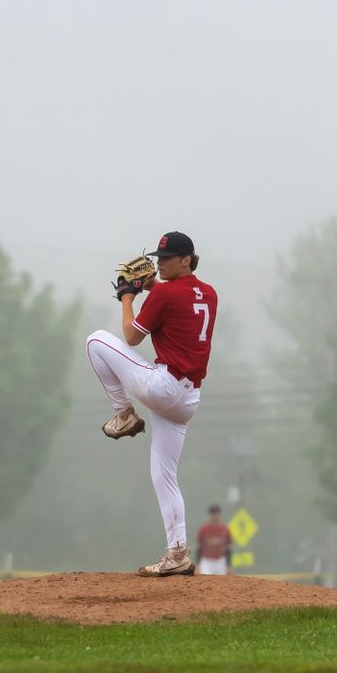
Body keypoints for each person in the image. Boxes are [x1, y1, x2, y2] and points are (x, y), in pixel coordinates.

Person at [86, 231, 218, 577]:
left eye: (167, 258)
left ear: (186, 259)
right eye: (158, 257)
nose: (160, 263)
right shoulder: (209, 293)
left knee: (97, 341)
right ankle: (177, 554)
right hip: (187, 399)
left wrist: (127, 297)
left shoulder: (166, 293)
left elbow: (131, 335)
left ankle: (123, 414)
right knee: (164, 476)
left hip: (164, 387)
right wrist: (150, 288)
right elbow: (177, 301)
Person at [196, 504, 232, 576]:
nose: (215, 516)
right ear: (210, 515)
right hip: (206, 561)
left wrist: (229, 565)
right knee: (205, 581)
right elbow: (199, 548)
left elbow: (228, 549)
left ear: (219, 514)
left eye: (217, 513)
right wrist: (198, 564)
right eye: (213, 513)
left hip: (220, 561)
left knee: (222, 582)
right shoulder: (204, 529)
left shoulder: (224, 529)